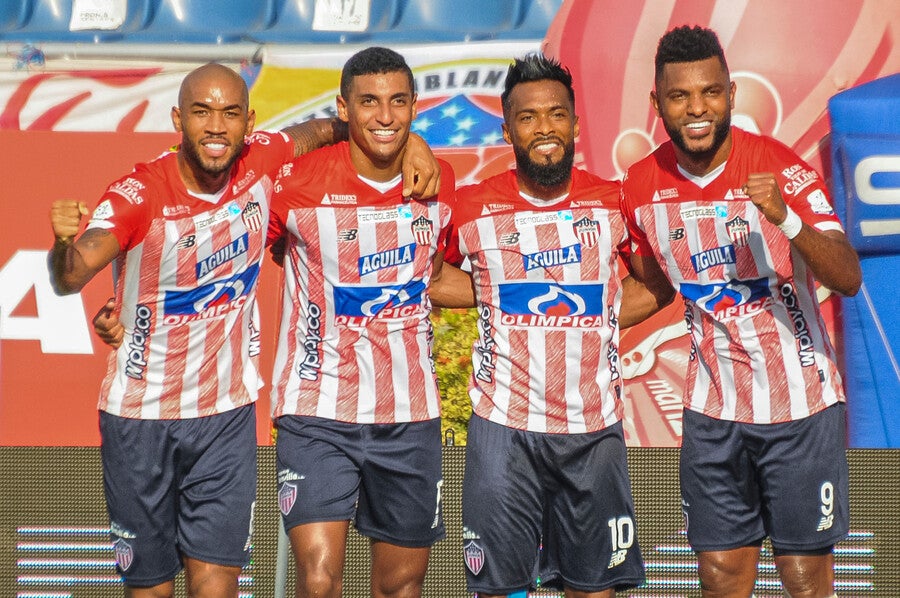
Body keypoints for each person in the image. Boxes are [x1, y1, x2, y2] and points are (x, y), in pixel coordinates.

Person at [48, 62, 440, 597]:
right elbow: (71, 276)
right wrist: (62, 245)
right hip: (140, 419)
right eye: (201, 113)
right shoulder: (138, 194)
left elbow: (334, 126)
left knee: (217, 585)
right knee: (151, 590)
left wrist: (412, 141)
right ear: (177, 119)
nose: (216, 126)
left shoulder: (264, 158)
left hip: (226, 416)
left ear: (248, 122)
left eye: (230, 113)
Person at [620, 25, 862, 598]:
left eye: (710, 92)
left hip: (800, 408)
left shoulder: (779, 167)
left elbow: (847, 276)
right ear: (657, 103)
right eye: (680, 96)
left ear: (730, 93)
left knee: (804, 579)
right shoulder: (640, 186)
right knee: (721, 575)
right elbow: (653, 289)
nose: (696, 109)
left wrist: (787, 218)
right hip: (712, 414)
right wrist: (574, 320)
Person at [449, 54, 667, 598]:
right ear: (507, 130)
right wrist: (496, 299)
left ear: (575, 124)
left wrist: (595, 315)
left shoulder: (614, 202)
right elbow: (428, 277)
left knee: (593, 589)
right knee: (499, 589)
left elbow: (657, 286)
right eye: (528, 117)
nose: (544, 128)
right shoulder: (470, 207)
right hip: (503, 428)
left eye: (556, 114)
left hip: (593, 429)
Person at [267, 47, 470, 598]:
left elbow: (436, 274)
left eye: (398, 102)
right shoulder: (293, 185)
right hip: (317, 410)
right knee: (318, 580)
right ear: (343, 108)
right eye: (369, 102)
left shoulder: (440, 182)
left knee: (401, 585)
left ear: (415, 106)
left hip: (410, 415)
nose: (385, 116)